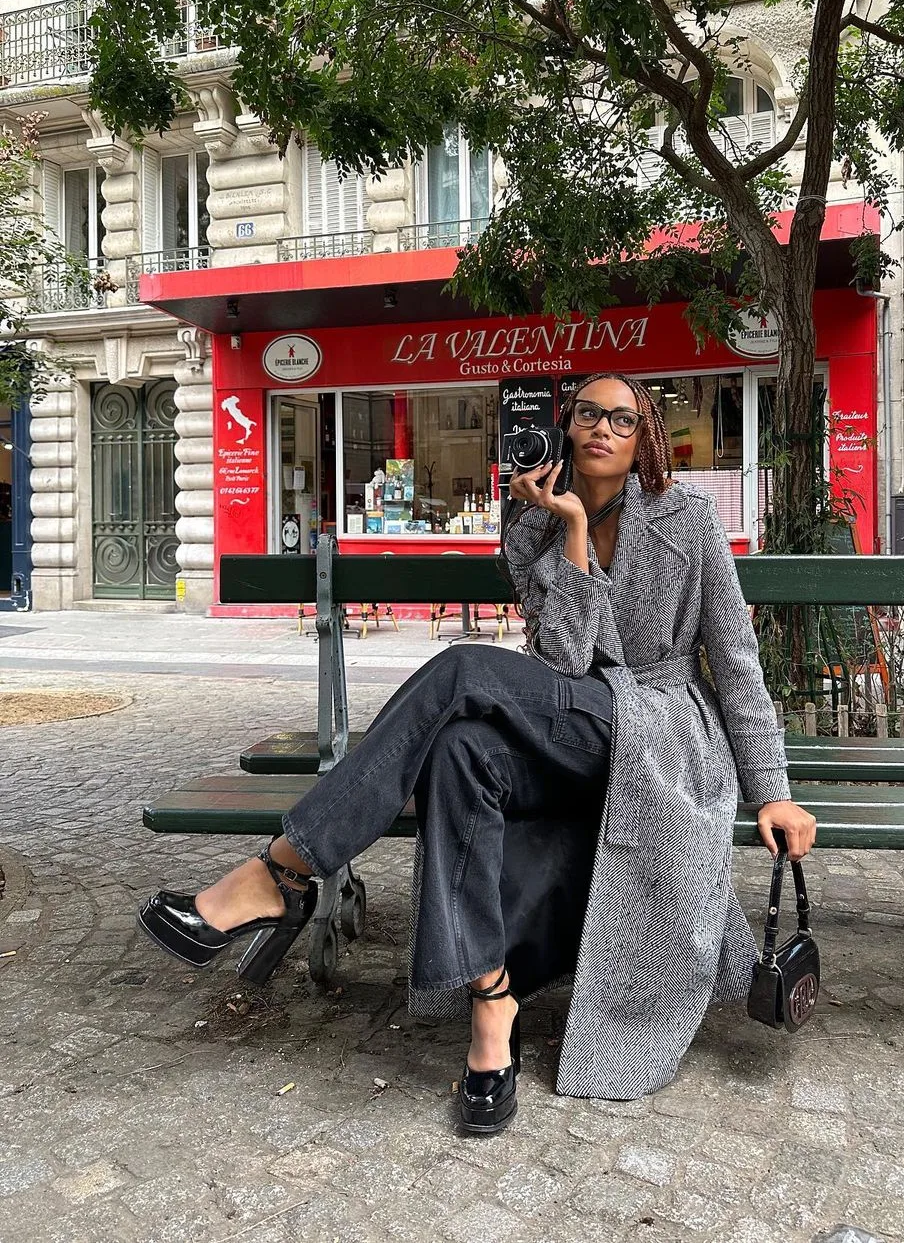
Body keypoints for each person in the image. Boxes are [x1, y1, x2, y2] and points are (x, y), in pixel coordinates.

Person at [137, 372, 816, 1134]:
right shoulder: (528, 529)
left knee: (462, 667)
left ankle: (284, 869)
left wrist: (773, 789)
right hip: (576, 716)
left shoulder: (687, 520)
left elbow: (736, 659)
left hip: (659, 729)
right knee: (459, 750)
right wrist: (568, 532)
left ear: (644, 437)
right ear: (566, 425)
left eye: (622, 419)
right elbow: (562, 658)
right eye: (588, 413)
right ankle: (492, 1008)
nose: (602, 428)